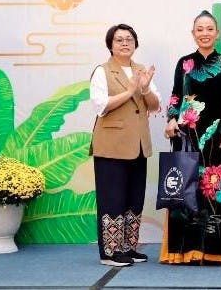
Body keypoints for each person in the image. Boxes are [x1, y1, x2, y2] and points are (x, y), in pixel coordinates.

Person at [160, 10, 221, 265]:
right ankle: (186, 251)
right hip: (187, 134)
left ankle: (215, 251)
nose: (205, 33)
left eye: (209, 29)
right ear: (193, 33)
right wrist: (171, 118)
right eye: (200, 29)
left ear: (217, 33)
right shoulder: (184, 62)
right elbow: (175, 95)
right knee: (186, 190)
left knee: (215, 189)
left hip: (217, 137)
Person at [90, 23, 161, 267]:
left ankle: (129, 248)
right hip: (111, 145)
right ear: (110, 45)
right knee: (112, 198)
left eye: (129, 39)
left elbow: (154, 105)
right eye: (119, 39)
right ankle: (110, 253)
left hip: (138, 144)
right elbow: (101, 106)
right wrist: (130, 91)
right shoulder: (102, 71)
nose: (125, 43)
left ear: (135, 44)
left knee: (134, 198)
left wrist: (145, 88)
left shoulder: (141, 70)